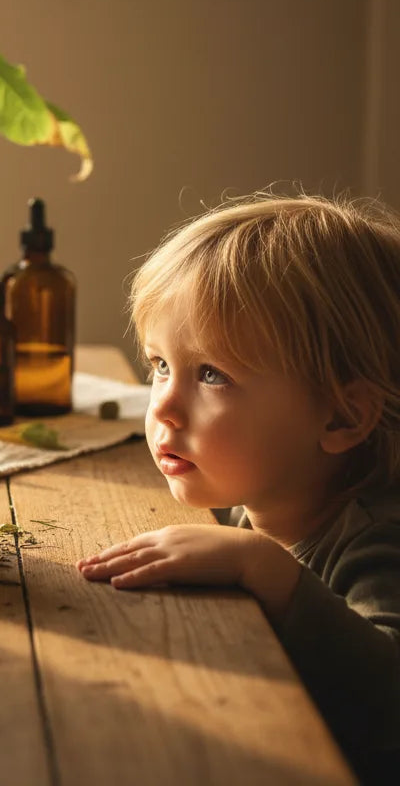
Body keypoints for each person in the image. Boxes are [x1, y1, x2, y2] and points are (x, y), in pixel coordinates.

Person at [77, 193, 400, 781]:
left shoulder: (378, 542)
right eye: (159, 365)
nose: (165, 408)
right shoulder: (269, 491)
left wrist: (266, 568)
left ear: (341, 419)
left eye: (212, 375)